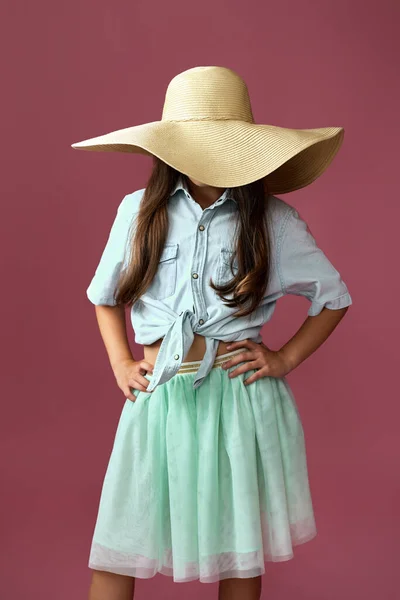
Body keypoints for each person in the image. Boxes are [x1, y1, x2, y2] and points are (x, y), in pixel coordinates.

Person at [71, 66, 353, 600]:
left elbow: (334, 298)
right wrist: (120, 363)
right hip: (160, 393)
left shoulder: (275, 220)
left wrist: (285, 358)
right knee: (120, 542)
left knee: (236, 548)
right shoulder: (138, 212)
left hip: (238, 397)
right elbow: (103, 297)